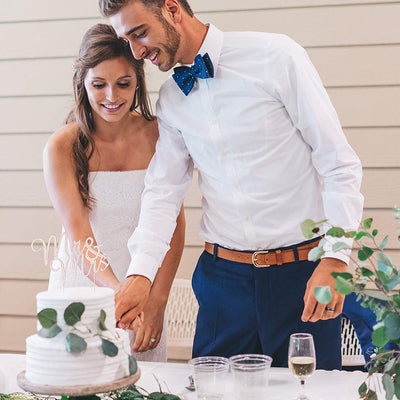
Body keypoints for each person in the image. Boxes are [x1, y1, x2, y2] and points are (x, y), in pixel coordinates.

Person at [99, 0, 364, 369]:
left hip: (301, 274)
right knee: (210, 393)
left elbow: (339, 163)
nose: (137, 52)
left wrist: (336, 257)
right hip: (223, 283)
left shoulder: (277, 57)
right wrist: (141, 273)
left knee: (310, 392)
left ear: (173, 10)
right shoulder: (173, 100)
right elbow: (163, 193)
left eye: (139, 33)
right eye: (127, 39)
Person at [43, 23, 185, 362]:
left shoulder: (158, 135)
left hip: (145, 285)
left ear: (139, 79)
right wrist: (118, 293)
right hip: (85, 281)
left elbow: (174, 227)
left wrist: (155, 300)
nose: (112, 96)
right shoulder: (62, 146)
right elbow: (80, 236)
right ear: (83, 82)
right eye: (99, 84)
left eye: (124, 83)